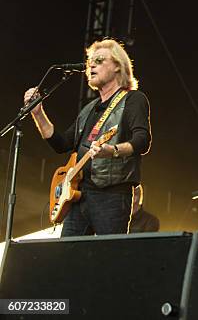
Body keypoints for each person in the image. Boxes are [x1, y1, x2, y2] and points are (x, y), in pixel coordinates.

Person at [24, 39, 152, 236]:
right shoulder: (89, 109)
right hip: (78, 196)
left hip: (112, 195)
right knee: (68, 257)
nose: (91, 65)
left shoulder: (133, 99)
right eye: (90, 60)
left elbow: (142, 140)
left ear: (118, 66)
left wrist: (113, 150)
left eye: (99, 60)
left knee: (106, 258)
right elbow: (61, 144)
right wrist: (37, 113)